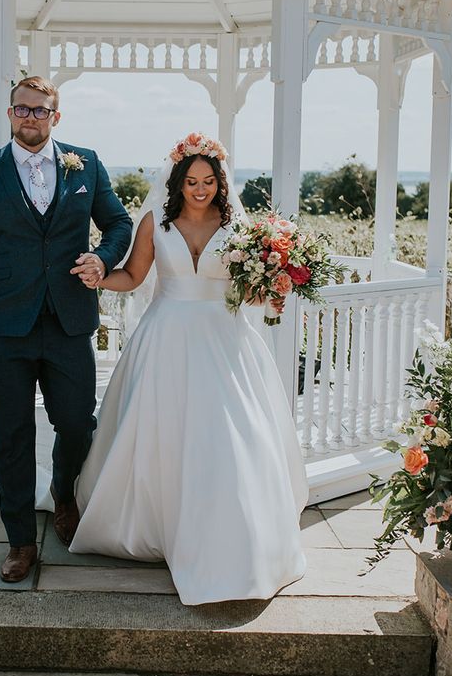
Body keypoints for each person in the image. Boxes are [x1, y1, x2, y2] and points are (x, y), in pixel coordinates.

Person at [70, 133, 308, 606]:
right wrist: (100, 277)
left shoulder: (241, 227)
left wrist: (276, 289)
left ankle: (234, 541)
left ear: (220, 182)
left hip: (226, 342)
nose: (199, 189)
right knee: (166, 433)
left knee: (231, 438)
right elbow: (134, 277)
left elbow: (253, 293)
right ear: (177, 181)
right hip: (166, 340)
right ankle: (162, 525)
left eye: (208, 181)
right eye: (191, 181)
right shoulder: (154, 225)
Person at [0, 76, 132, 583]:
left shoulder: (85, 164)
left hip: (69, 321)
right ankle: (21, 541)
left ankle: (65, 493)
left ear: (56, 117)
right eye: (22, 110)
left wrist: (103, 256)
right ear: (10, 114)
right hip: (5, 327)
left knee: (76, 423)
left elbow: (119, 224)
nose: (31, 118)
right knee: (12, 435)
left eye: (41, 111)